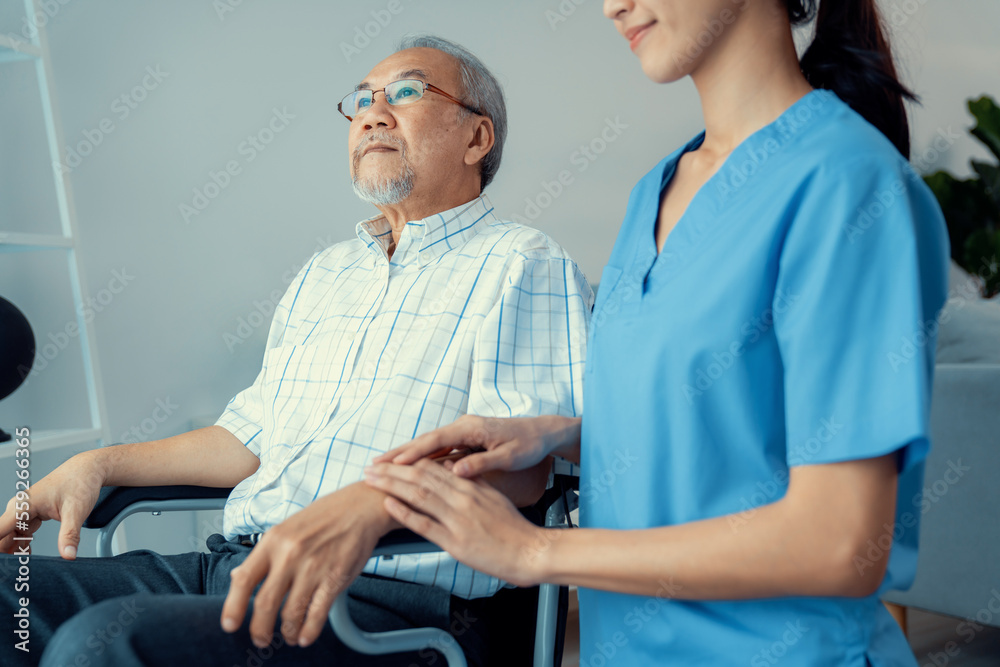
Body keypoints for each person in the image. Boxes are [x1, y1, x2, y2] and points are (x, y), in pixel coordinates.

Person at [364, 2, 951, 665]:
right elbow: (730, 428)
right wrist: (566, 436)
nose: (614, 4)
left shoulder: (848, 185)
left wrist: (534, 550)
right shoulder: (655, 192)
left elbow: (839, 543)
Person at [0, 35, 592, 667]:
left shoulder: (523, 262)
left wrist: (375, 507)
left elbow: (523, 472)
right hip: (240, 565)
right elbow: (248, 439)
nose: (372, 112)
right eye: (362, 99)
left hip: (386, 598)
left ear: (476, 139)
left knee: (112, 645)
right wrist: (97, 464)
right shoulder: (326, 272)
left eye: (407, 92)